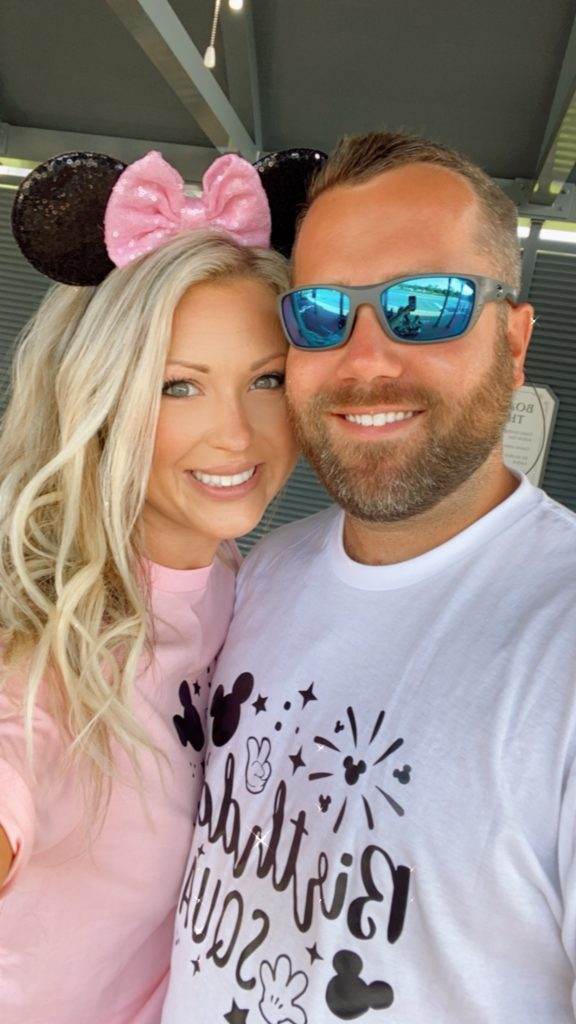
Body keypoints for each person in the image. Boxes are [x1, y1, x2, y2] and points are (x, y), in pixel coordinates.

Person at [161, 131, 576, 1024]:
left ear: (514, 337)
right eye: (319, 315)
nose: (366, 361)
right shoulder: (258, 577)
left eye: (427, 306)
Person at [0, 150, 297, 1024]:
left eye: (266, 379)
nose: (236, 433)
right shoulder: (35, 644)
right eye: (179, 387)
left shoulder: (248, 580)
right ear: (101, 393)